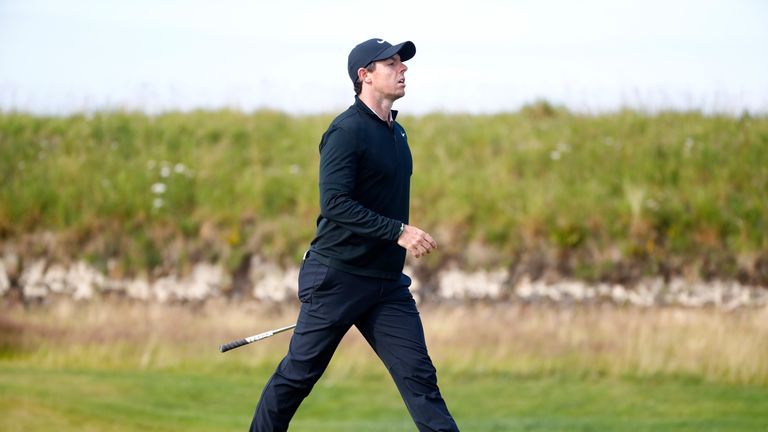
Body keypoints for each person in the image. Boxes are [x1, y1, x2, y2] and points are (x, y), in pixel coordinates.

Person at [249, 38, 460, 432]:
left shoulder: (398, 134)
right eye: (392, 63)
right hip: (337, 278)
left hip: (385, 285)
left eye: (403, 63)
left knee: (420, 381)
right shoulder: (345, 132)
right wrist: (398, 231)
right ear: (364, 75)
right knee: (297, 378)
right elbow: (335, 204)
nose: (403, 69)